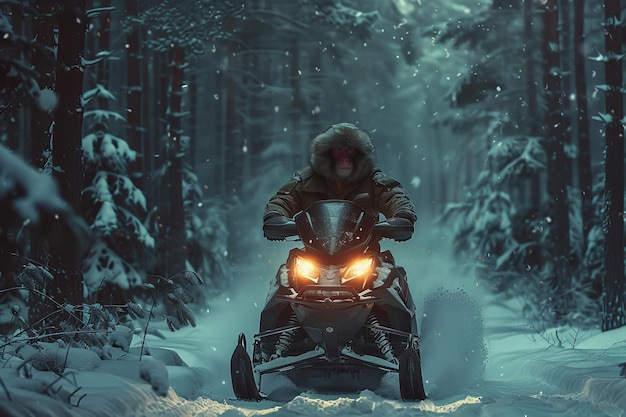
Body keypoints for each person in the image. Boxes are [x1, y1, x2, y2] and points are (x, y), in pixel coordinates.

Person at [262, 123, 416, 250]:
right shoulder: (306, 180)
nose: (344, 158)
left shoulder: (373, 180)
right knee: (285, 279)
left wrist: (402, 216)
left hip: (365, 254)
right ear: (326, 154)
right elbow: (285, 198)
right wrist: (275, 216)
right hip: (313, 255)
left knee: (391, 278)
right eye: (338, 151)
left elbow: (393, 195)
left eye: (350, 150)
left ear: (360, 154)